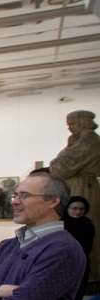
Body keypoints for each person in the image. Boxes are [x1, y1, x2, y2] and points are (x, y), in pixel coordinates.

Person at [49, 111, 100, 290]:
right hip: (75, 185)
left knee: (84, 229)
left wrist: (57, 162)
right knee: (72, 228)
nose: (69, 127)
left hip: (83, 187)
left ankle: (90, 276)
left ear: (82, 122)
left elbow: (61, 167)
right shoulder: (78, 142)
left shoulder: (89, 141)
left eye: (72, 123)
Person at [62, 197, 93, 300]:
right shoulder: (60, 224)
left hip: (81, 262)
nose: (78, 212)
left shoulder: (88, 225)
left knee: (78, 293)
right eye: (74, 208)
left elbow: (88, 247)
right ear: (67, 208)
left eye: (81, 209)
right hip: (61, 262)